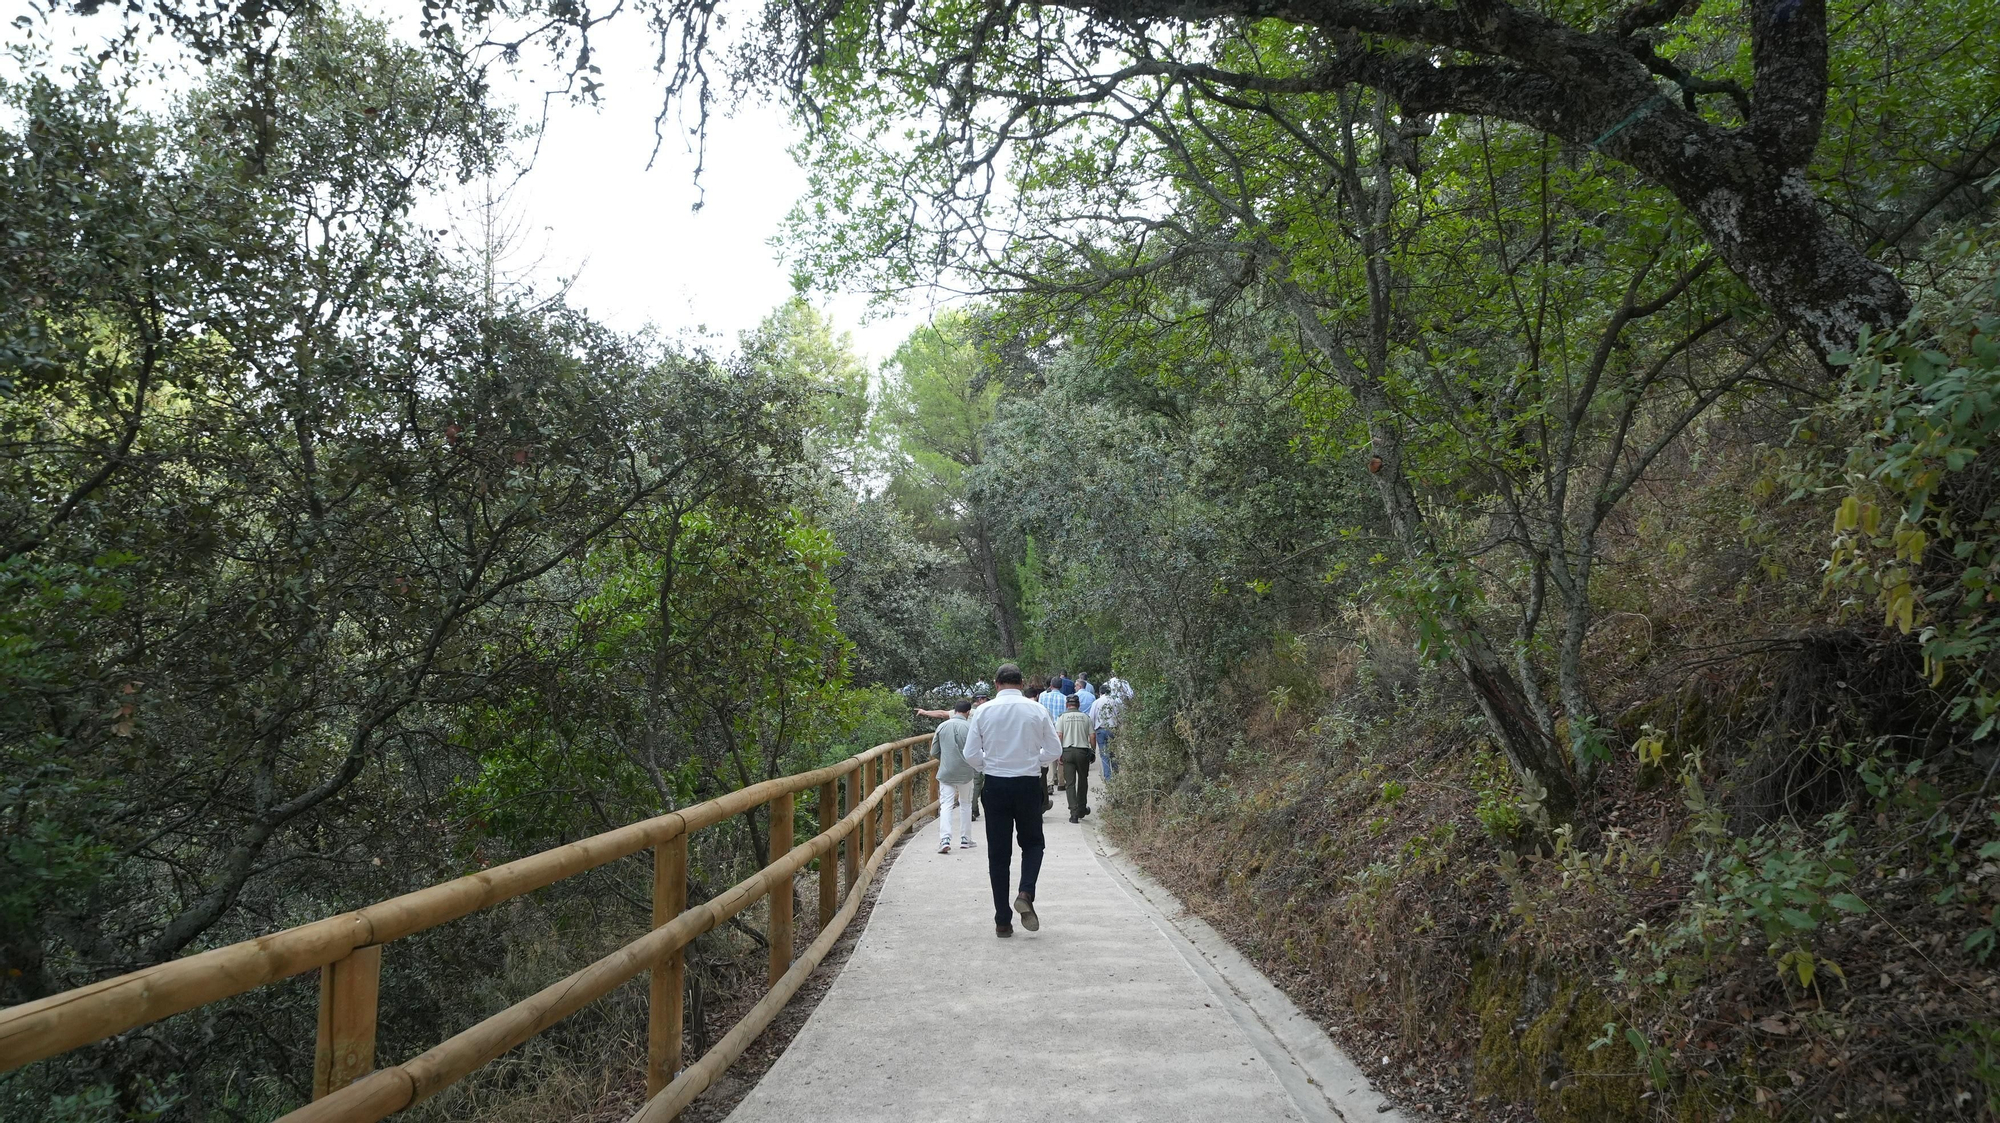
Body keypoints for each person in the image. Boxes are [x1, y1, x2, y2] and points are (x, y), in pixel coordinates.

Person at [962, 662, 1060, 938]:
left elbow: (970, 754)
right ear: (1021, 682)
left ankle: (1002, 920)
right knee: (1032, 844)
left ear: (996, 684)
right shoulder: (1037, 709)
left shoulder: (982, 711)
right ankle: (1026, 891)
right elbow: (1054, 749)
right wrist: (1033, 762)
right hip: (1027, 784)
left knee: (998, 854)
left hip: (995, 785)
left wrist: (989, 766)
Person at [932, 700, 978, 853]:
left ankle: (944, 839)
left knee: (946, 804)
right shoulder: (969, 727)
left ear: (954, 710)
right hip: (966, 771)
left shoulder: (942, 726)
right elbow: (975, 750)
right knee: (965, 803)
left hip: (946, 771)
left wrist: (946, 760)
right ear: (968, 712)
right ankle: (965, 839)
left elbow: (934, 752)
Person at [1055, 694, 1095, 823]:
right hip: (1082, 752)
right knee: (1083, 780)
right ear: (1078, 705)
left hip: (1067, 751)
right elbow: (1092, 736)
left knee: (1070, 783)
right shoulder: (1085, 717)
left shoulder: (1062, 718)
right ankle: (1082, 809)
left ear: (1067, 705)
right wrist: (1093, 750)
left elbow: (1059, 735)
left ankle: (1073, 813)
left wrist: (1059, 752)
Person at [1091, 687, 1121, 781]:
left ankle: (1108, 779)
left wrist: (1092, 730)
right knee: (1114, 754)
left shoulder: (1096, 702)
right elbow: (1120, 715)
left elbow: (1092, 717)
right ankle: (1116, 776)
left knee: (1104, 756)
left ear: (1100, 692)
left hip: (1101, 730)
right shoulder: (1115, 701)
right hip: (1113, 729)